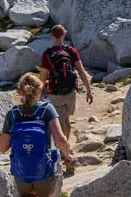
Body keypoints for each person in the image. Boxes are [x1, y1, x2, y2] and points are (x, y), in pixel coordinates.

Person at [0, 74, 73, 197]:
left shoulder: (13, 114)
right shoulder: (46, 110)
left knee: (30, 194)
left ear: (19, 92)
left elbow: (3, 147)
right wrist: (67, 155)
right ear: (40, 90)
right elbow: (60, 139)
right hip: (43, 168)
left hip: (21, 169)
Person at [39, 25, 94, 172]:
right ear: (63, 36)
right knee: (67, 120)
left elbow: (43, 78)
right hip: (71, 93)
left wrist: (37, 95)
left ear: (51, 36)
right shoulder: (71, 51)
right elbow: (81, 71)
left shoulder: (47, 54)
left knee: (57, 122)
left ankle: (65, 154)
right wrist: (89, 90)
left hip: (55, 94)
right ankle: (66, 145)